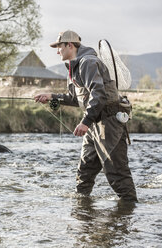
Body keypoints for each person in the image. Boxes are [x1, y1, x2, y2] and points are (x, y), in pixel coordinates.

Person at [34, 30, 137, 202]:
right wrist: (51, 97)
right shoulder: (73, 68)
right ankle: (82, 213)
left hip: (109, 122)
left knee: (116, 174)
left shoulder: (87, 62)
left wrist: (85, 122)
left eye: (59, 46)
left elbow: (99, 94)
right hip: (95, 124)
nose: (57, 51)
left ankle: (128, 214)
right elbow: (76, 99)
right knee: (85, 171)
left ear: (70, 45)